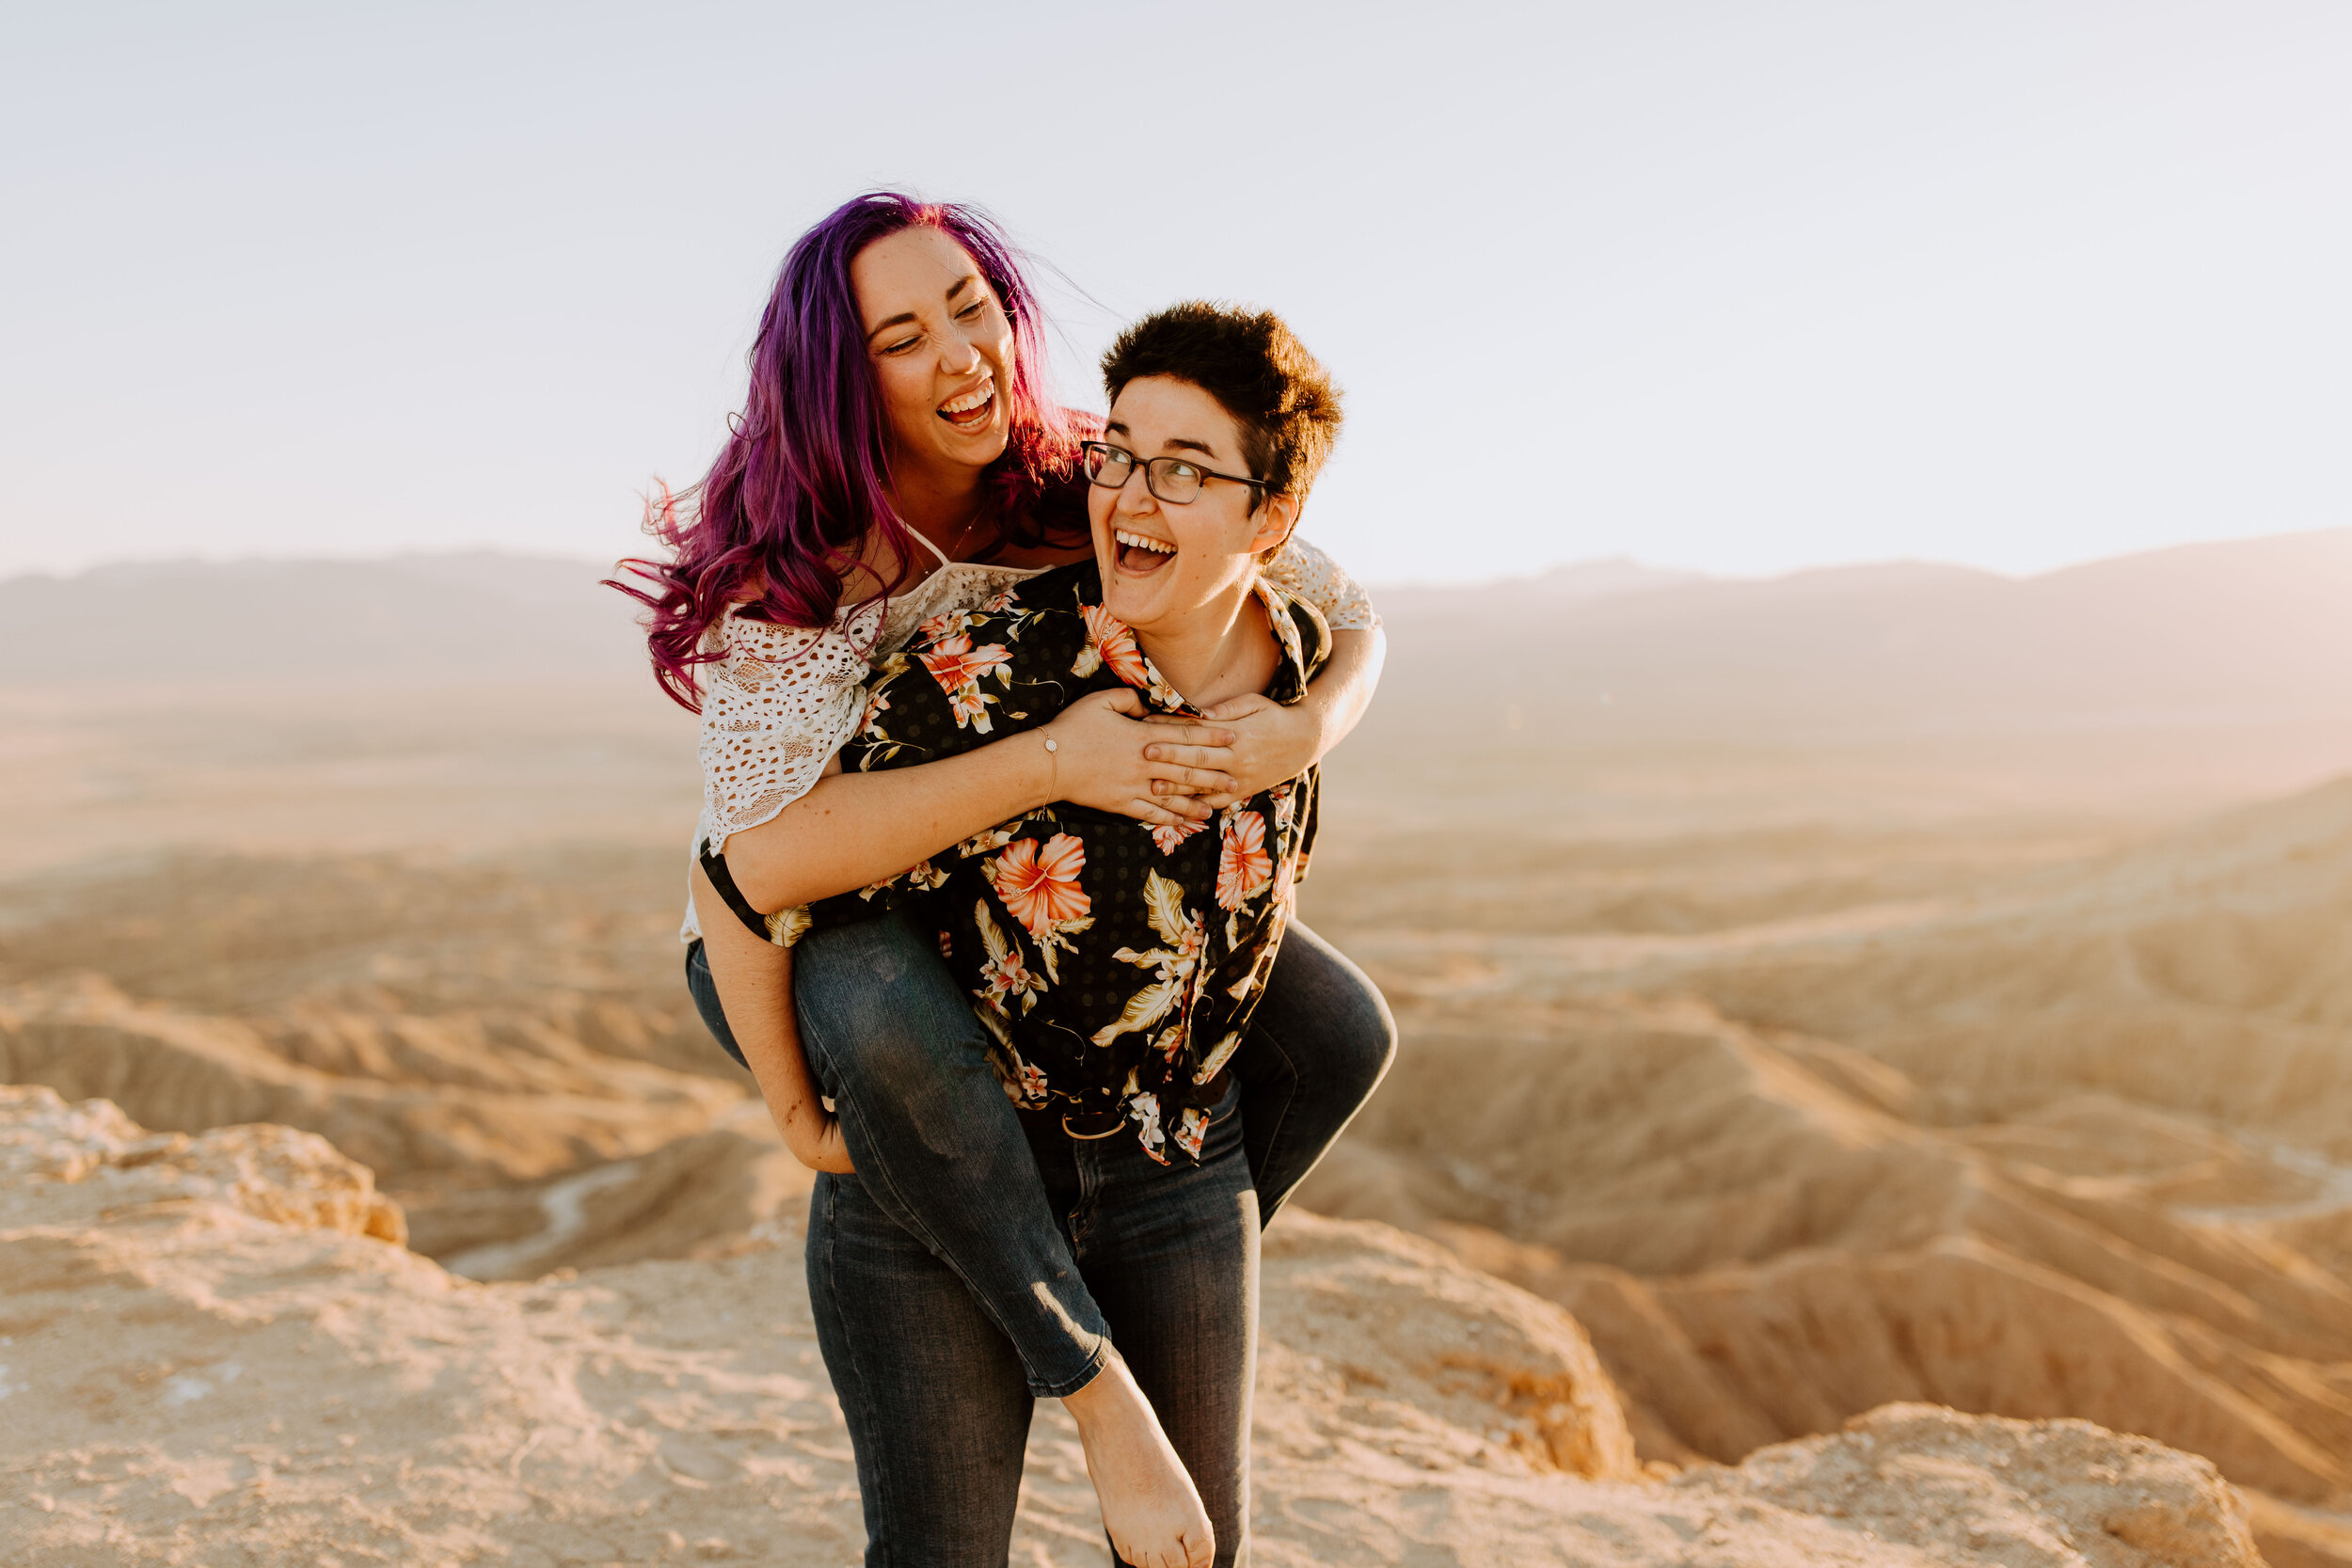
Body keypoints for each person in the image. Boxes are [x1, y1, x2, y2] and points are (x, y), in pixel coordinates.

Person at [612, 195, 1394, 1566]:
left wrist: (1302, 726)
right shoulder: (799, 569)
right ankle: (1073, 1360)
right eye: (901, 337)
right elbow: (755, 868)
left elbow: (1343, 602)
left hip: (995, 915)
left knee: (1330, 1024)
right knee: (876, 996)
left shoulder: (1091, 474)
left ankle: (1086, 1273)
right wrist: (797, 1112)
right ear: (843, 379)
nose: (958, 354)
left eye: (971, 307)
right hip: (801, 937)